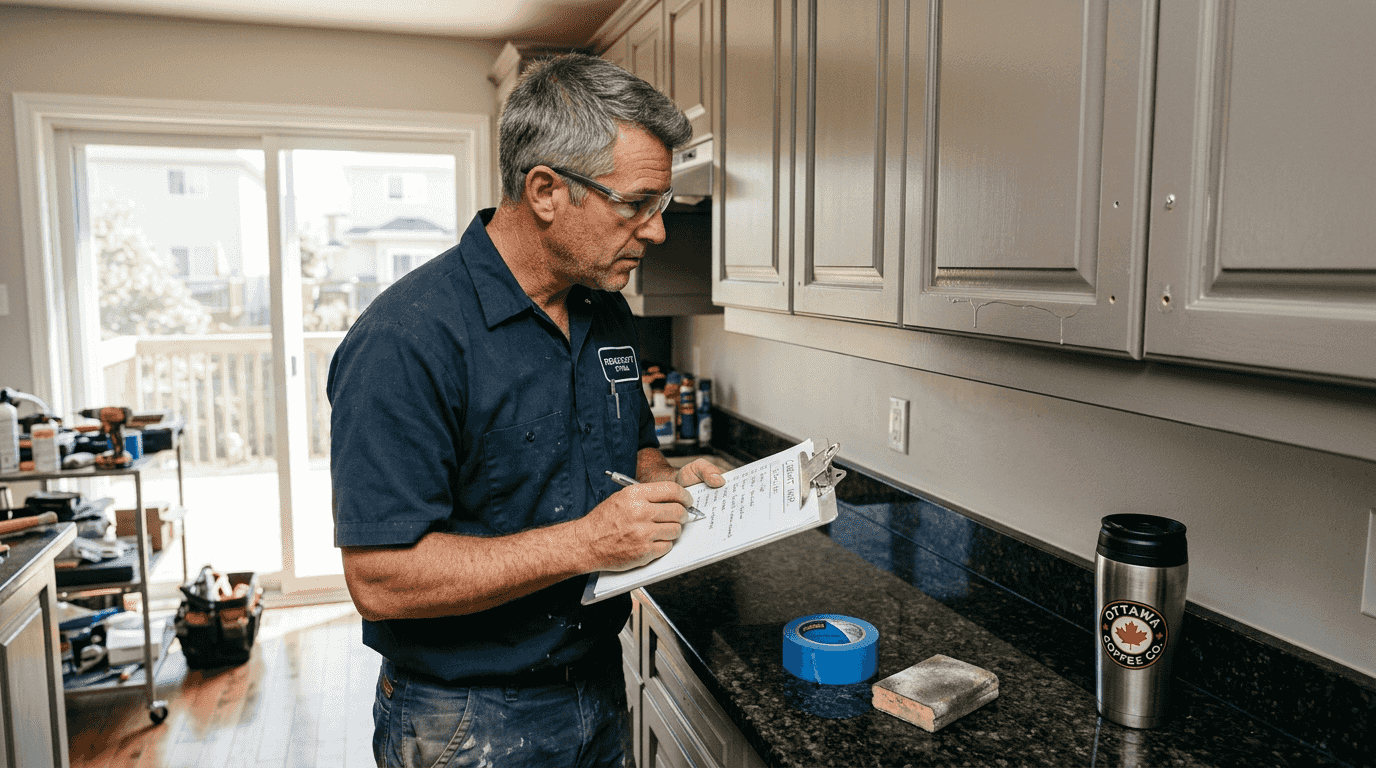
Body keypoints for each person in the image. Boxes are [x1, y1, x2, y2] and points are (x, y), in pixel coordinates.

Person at [326, 53, 726, 768]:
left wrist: (665, 493)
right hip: (463, 718)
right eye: (637, 203)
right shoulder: (406, 340)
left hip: (597, 687)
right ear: (545, 190)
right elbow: (379, 578)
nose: (658, 231)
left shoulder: (605, 310)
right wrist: (589, 544)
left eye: (660, 206)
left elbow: (633, 450)